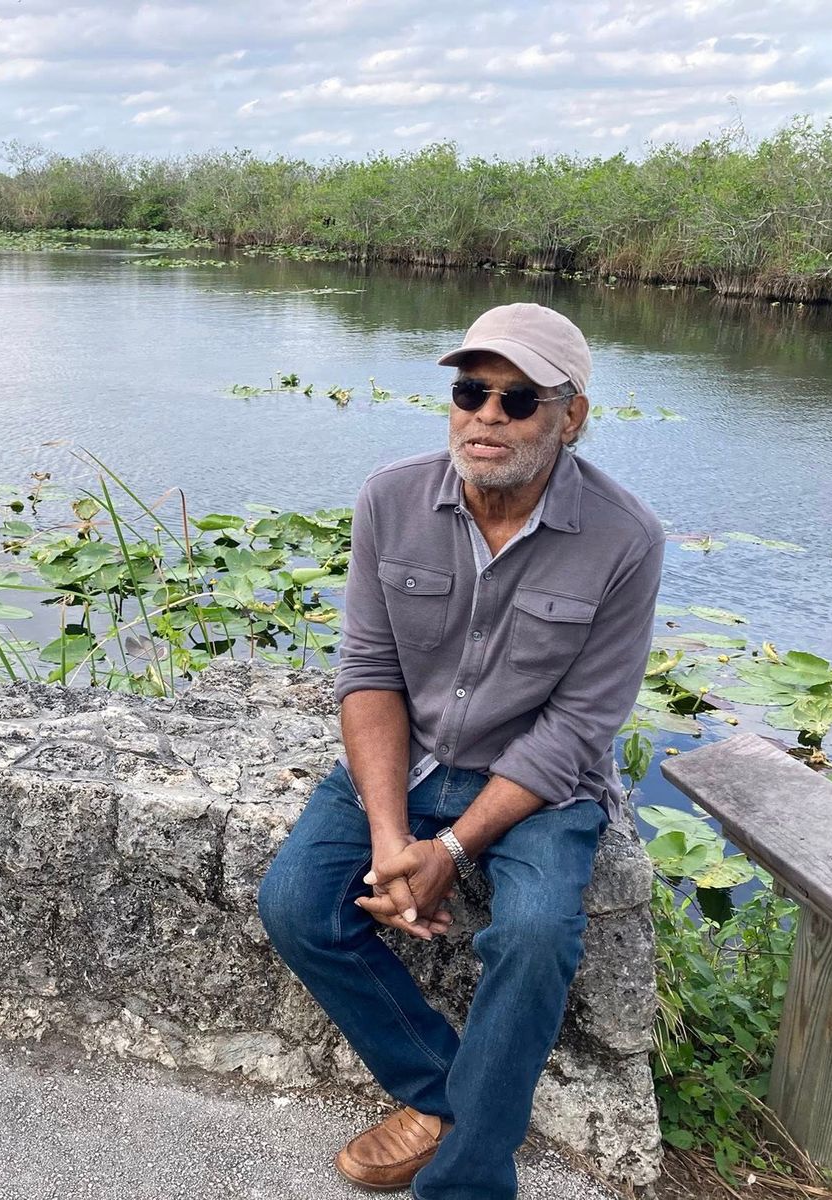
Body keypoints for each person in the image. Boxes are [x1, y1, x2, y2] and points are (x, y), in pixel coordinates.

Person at [258, 303, 664, 1199]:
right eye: (471, 391)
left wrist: (448, 850)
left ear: (571, 417)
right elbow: (369, 673)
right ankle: (446, 1098)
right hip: (409, 759)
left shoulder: (625, 539)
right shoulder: (390, 499)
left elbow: (578, 728)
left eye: (518, 400)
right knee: (294, 903)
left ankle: (468, 1178)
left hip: (539, 783)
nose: (486, 415)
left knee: (534, 935)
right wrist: (390, 841)